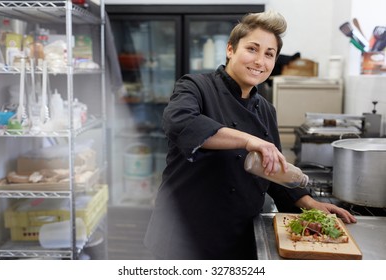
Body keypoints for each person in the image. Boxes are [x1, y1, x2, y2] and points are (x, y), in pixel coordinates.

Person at [144, 10, 356, 260]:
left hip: (240, 237)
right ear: (231, 49)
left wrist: (311, 204)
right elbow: (180, 122)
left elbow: (274, 171)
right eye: (252, 49)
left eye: (269, 54)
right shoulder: (196, 86)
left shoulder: (266, 110)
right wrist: (249, 140)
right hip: (185, 237)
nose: (260, 61)